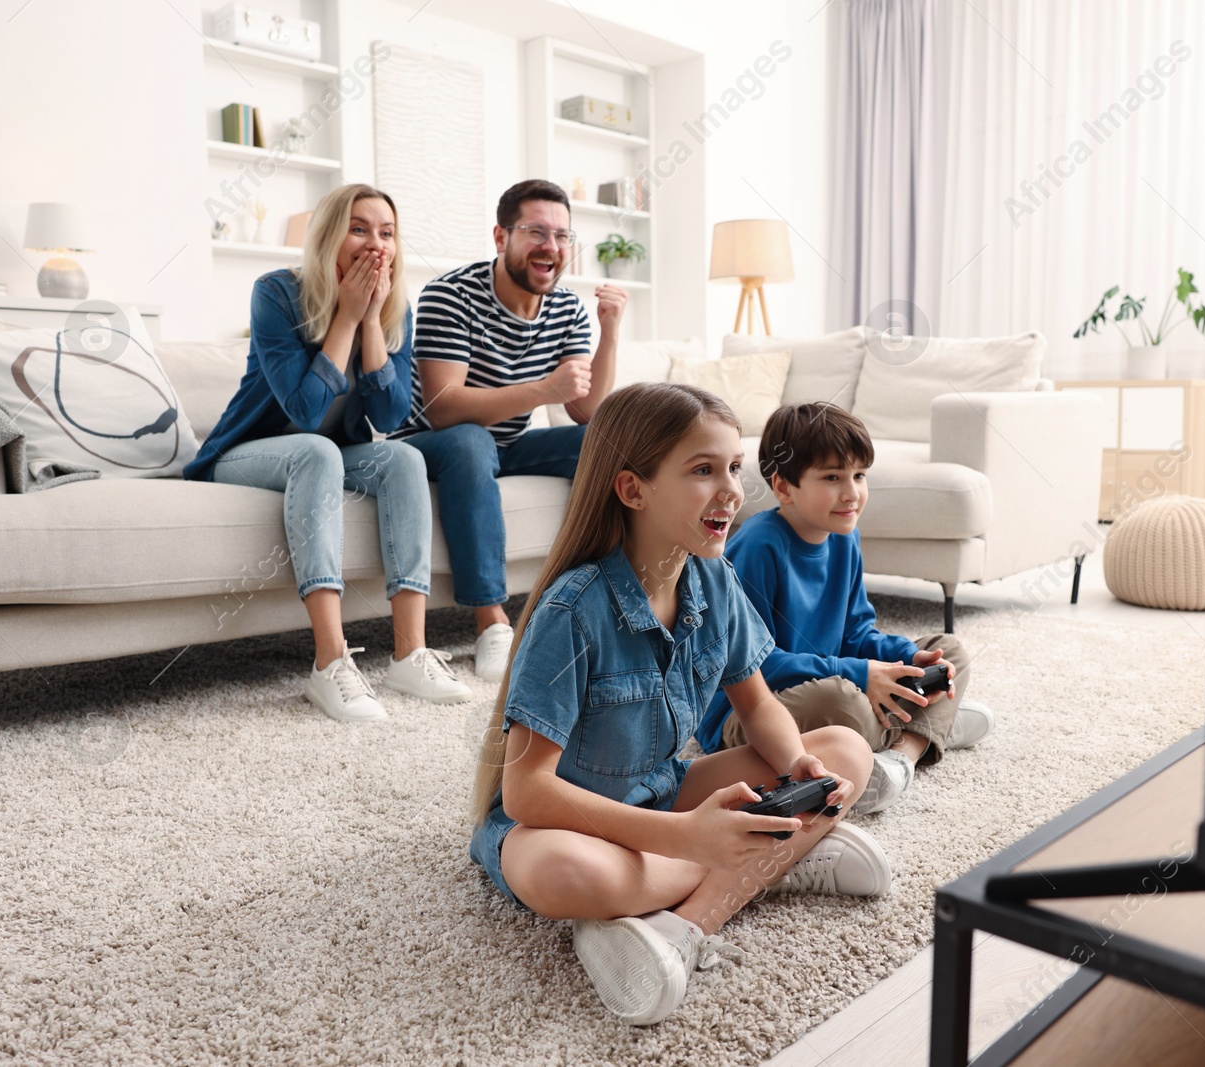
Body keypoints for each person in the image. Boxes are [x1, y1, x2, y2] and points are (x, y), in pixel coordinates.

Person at [468, 382, 890, 1027]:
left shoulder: (712, 578)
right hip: (571, 824)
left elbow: (758, 704)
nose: (729, 490)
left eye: (733, 469)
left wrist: (797, 764)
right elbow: (526, 794)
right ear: (633, 489)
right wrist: (687, 837)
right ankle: (771, 859)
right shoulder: (572, 611)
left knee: (844, 750)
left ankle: (685, 926)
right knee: (563, 875)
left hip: (664, 792)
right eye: (702, 470)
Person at [186, 183, 472, 721]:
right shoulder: (275, 293)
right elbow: (307, 413)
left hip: (334, 451)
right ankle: (329, 662)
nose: (376, 244)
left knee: (405, 458)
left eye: (386, 232)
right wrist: (344, 316)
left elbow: (389, 420)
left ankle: (411, 652)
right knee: (317, 450)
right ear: (329, 236)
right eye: (359, 229)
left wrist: (370, 321)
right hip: (245, 453)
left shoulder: (395, 309)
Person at [696, 402, 996, 815]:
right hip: (750, 713)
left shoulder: (844, 537)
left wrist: (906, 658)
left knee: (951, 652)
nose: (852, 493)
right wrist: (859, 673)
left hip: (827, 679)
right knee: (844, 701)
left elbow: (857, 634)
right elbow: (754, 667)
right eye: (833, 478)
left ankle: (902, 756)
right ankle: (926, 727)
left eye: (859, 476)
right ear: (784, 487)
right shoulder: (758, 546)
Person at [393, 179, 627, 682]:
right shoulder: (450, 294)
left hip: (510, 444)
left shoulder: (565, 308)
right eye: (537, 232)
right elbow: (442, 407)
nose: (552, 247)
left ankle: (612, 601)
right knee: (471, 440)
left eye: (563, 236)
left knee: (608, 442)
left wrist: (608, 332)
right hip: (428, 444)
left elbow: (586, 412)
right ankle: (492, 623)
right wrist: (544, 389)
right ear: (501, 238)